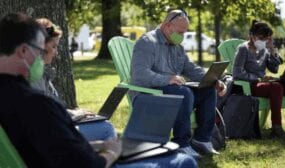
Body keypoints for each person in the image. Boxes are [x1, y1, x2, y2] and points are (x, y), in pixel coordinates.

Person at [0, 12, 198, 168]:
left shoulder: (12, 97)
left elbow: (58, 145)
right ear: (24, 51)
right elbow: (87, 163)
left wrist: (102, 145)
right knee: (183, 161)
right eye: (41, 50)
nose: (45, 56)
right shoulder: (35, 104)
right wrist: (112, 152)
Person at [130, 9, 227, 158]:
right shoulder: (147, 42)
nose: (182, 37)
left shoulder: (177, 47)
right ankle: (181, 143)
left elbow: (191, 69)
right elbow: (140, 75)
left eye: (184, 32)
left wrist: (213, 79)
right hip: (148, 93)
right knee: (184, 92)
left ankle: (202, 139)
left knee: (208, 90)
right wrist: (167, 79)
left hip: (172, 91)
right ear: (167, 26)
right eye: (180, 32)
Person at [31, 18, 116, 141]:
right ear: (41, 46)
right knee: (106, 129)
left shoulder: (40, 73)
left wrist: (74, 113)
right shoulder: (33, 76)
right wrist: (74, 115)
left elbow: (49, 106)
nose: (56, 53)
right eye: (54, 46)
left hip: (57, 125)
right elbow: (44, 112)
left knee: (103, 126)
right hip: (51, 132)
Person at [232, 20, 285, 137]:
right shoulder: (243, 49)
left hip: (266, 84)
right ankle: (276, 128)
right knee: (276, 87)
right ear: (252, 36)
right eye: (261, 38)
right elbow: (237, 73)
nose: (263, 41)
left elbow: (274, 69)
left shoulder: (265, 49)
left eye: (266, 38)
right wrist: (258, 79)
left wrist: (272, 50)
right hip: (251, 85)